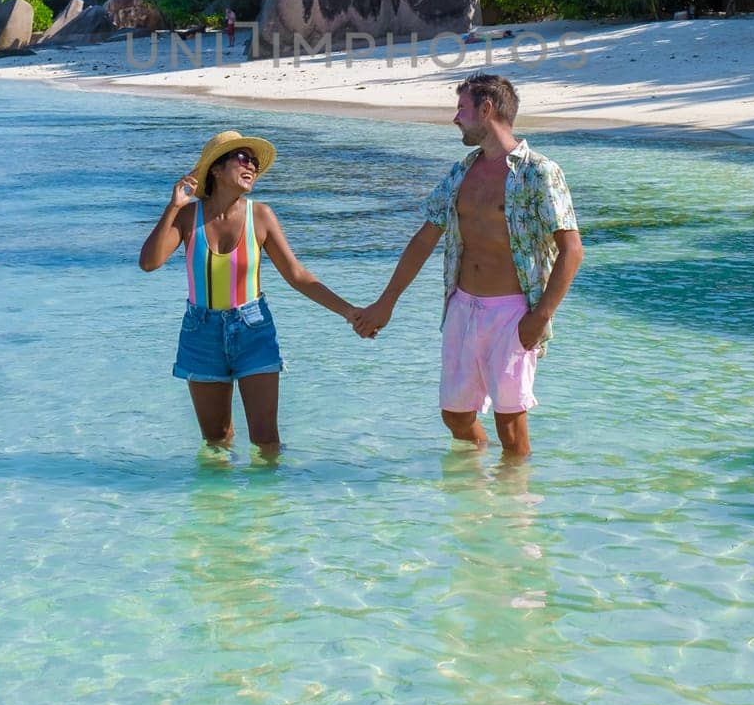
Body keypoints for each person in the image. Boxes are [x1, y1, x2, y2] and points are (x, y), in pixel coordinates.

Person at [354, 73, 583, 458]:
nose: (455, 118)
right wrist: (386, 302)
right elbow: (425, 238)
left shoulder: (537, 172)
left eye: (462, 109)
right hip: (462, 307)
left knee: (510, 424)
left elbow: (572, 250)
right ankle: (474, 495)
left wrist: (540, 315)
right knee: (455, 415)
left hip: (512, 313)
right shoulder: (462, 171)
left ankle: (515, 510)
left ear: (486, 109)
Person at [139, 130, 357, 454]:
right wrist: (173, 207)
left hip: (253, 328)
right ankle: (219, 503)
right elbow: (149, 262)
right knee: (216, 441)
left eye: (254, 162)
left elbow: (297, 275)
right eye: (243, 158)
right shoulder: (188, 217)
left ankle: (268, 505)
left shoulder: (261, 216)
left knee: (266, 441)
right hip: (201, 332)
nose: (252, 166)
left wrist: (351, 313)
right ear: (215, 168)